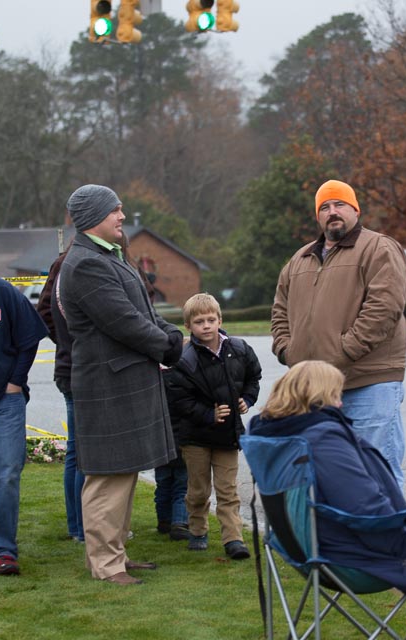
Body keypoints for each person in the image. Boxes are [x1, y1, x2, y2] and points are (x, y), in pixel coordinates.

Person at [58, 184, 183, 586]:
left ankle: (118, 555)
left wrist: (170, 333)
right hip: (108, 386)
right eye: (116, 211)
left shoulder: (108, 256)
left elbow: (143, 310)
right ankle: (106, 565)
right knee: (107, 478)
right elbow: (123, 322)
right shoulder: (85, 264)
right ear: (95, 215)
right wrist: (168, 346)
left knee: (124, 473)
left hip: (125, 381)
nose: (122, 217)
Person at [271, 179, 406, 488]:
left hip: (368, 383)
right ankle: (341, 538)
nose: (332, 212)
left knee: (376, 474)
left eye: (340, 205)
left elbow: (384, 307)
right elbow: (280, 312)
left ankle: (386, 538)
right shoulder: (299, 259)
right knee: (328, 477)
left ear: (355, 210)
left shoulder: (378, 247)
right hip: (315, 390)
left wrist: (343, 351)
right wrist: (287, 351)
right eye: (325, 207)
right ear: (318, 216)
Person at [249, 360, 406, 594]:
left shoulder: (278, 438)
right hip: (356, 559)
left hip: (307, 553)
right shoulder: (323, 438)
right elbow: (364, 507)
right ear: (320, 396)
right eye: (336, 394)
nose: (341, 402)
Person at [166, 293, 262, 559]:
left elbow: (254, 377)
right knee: (197, 490)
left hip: (227, 435)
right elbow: (179, 400)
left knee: (228, 489)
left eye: (211, 320)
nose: (206, 326)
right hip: (195, 437)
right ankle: (197, 530)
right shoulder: (184, 359)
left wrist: (248, 400)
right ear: (189, 326)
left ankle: (233, 539)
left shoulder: (240, 350)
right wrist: (209, 414)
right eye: (199, 321)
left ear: (220, 320)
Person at [0, 276, 48, 575]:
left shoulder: (0, 291)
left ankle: (0, 550)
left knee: (6, 474)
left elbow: (30, 335)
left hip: (3, 401)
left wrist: (15, 382)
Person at [37, 249, 85, 543]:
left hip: (68, 367)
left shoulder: (63, 262)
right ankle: (82, 527)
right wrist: (73, 342)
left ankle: (77, 525)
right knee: (82, 453)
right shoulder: (69, 263)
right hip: (76, 370)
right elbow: (44, 313)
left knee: (75, 451)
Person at [154, 365, 190, 541]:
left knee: (163, 484)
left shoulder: (154, 383)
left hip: (159, 444)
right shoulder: (184, 382)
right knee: (182, 486)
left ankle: (164, 520)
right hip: (182, 442)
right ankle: (180, 521)